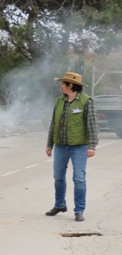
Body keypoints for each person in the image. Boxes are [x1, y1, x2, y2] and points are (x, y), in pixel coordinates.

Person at [45, 71, 98, 222]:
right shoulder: (59, 102)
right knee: (58, 177)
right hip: (61, 146)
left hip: (79, 147)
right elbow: (53, 124)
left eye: (63, 83)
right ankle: (59, 205)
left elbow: (92, 126)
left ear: (70, 85)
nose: (61, 86)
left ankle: (79, 210)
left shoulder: (87, 102)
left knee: (79, 179)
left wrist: (92, 146)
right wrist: (50, 144)